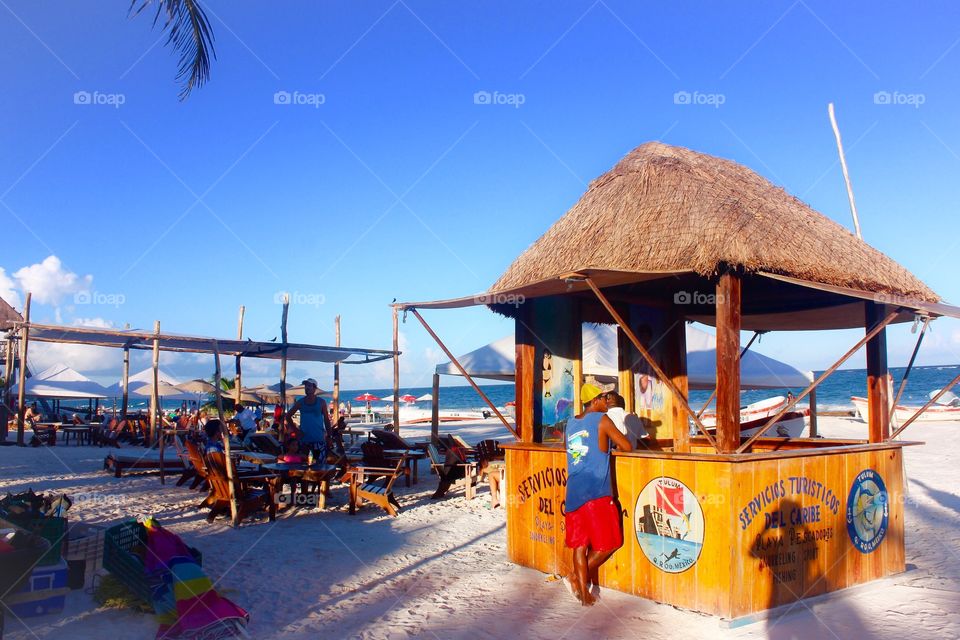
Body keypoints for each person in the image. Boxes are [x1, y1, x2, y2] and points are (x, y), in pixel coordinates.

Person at [564, 383, 633, 606]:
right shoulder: (602, 420)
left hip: (574, 492)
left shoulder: (571, 423)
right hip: (596, 492)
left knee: (579, 545)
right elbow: (627, 446)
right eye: (604, 398)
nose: (607, 401)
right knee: (610, 543)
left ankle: (584, 594)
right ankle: (575, 579)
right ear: (594, 401)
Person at [286, 378, 330, 460]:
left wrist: (330, 436)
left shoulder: (321, 402)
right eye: (306, 386)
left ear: (315, 388)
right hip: (304, 441)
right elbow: (288, 416)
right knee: (305, 467)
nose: (307, 388)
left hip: (319, 440)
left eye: (309, 385)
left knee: (320, 467)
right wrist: (296, 430)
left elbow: (326, 420)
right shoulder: (300, 402)